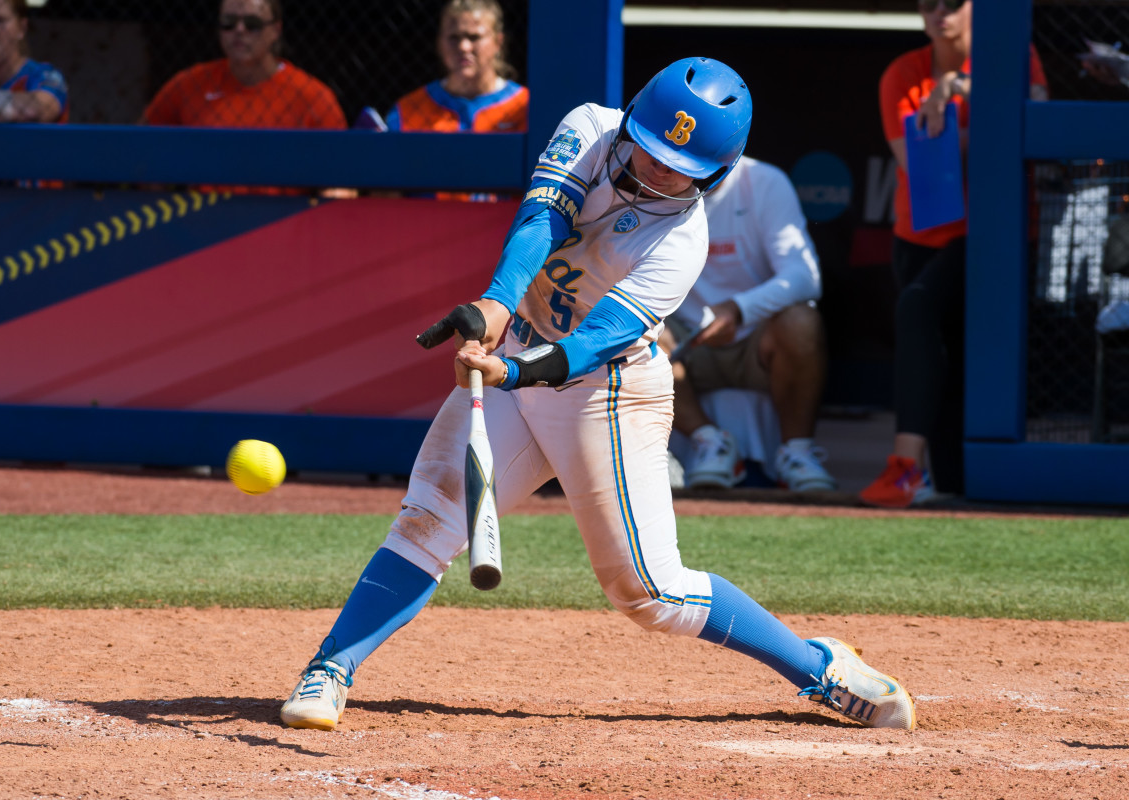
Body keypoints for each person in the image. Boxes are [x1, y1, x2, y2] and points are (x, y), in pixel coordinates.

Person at [278, 57, 916, 733]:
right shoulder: (590, 127)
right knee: (431, 517)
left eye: (677, 166)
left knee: (648, 593)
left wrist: (513, 372)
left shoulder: (682, 241)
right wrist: (497, 307)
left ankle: (820, 669)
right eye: (647, 146)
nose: (651, 169)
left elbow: (595, 342)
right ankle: (330, 669)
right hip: (522, 343)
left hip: (605, 394)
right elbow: (542, 222)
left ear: (714, 176)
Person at [861, 0, 1048, 508]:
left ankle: (907, 468)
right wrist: (990, 122)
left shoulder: (1012, 55)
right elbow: (916, 156)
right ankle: (940, 487)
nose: (938, 13)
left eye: (951, 3)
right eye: (927, 4)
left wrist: (964, 93)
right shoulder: (904, 72)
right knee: (933, 357)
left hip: (994, 238)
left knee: (933, 323)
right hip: (918, 238)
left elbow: (1037, 115)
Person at [661, 155, 835, 492]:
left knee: (802, 321)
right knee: (635, 332)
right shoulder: (655, 185)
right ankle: (708, 441)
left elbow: (805, 276)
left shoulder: (765, 181)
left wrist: (739, 311)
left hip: (757, 343)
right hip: (685, 345)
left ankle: (796, 454)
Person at [142, 0, 346, 132]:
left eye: (252, 24)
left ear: (275, 30)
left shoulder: (314, 97)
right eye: (229, 22)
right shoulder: (189, 84)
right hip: (205, 200)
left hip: (282, 201)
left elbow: (342, 178)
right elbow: (142, 144)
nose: (239, 31)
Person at [384, 0, 528, 135]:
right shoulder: (407, 111)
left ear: (498, 42)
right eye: (454, 37)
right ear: (439, 43)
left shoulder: (525, 106)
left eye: (474, 37)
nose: (463, 47)